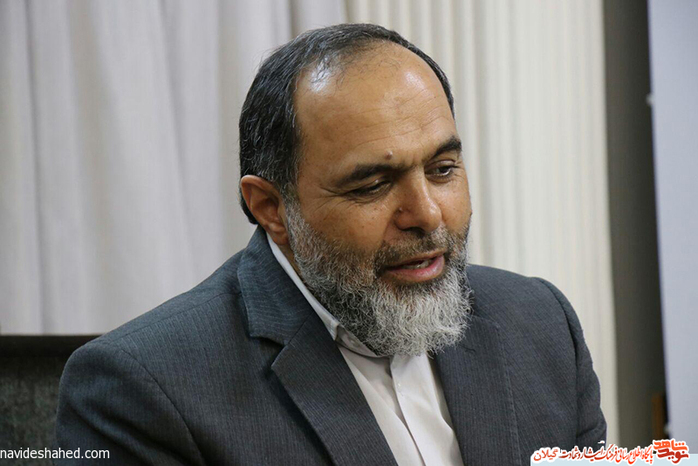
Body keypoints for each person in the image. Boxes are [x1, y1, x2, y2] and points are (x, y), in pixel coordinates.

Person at [55, 23, 605, 465]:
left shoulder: (540, 325)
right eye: (373, 185)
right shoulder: (142, 390)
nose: (427, 214)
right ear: (271, 207)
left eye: (442, 169)